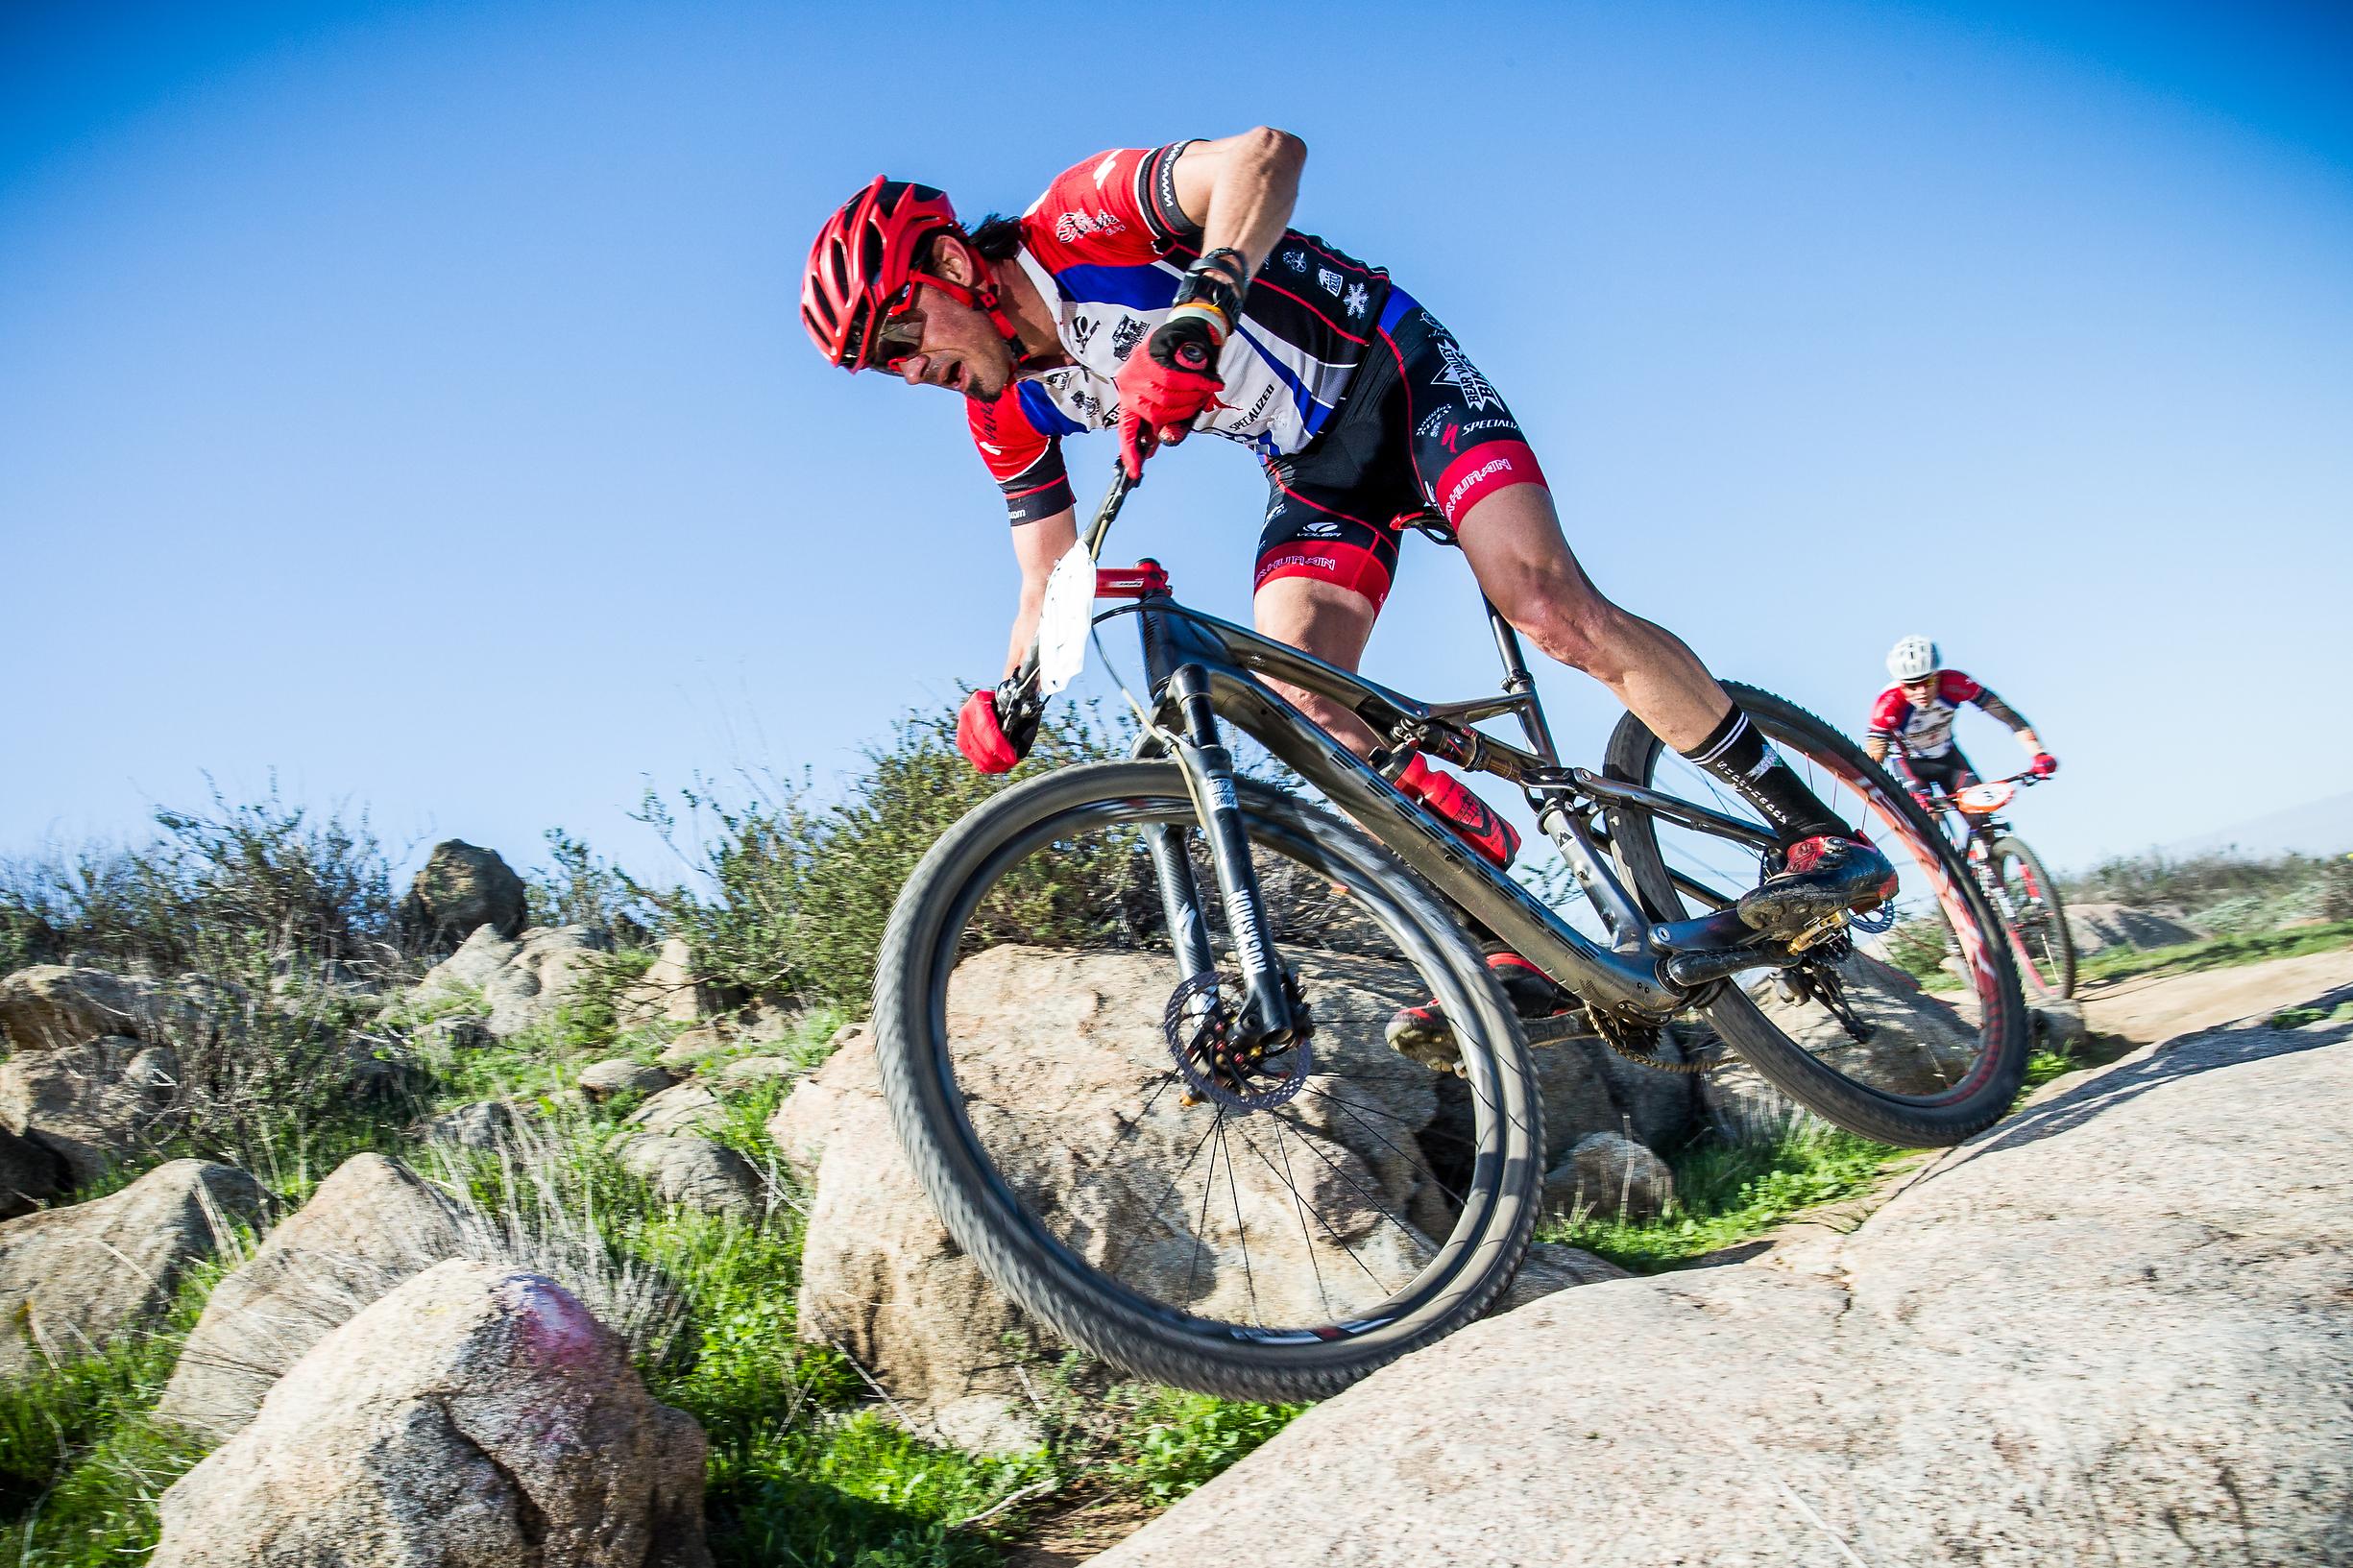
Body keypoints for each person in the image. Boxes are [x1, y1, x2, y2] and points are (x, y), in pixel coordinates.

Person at [800, 130, 1896, 1047]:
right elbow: (1049, 573)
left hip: (1396, 371)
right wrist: (1011, 691)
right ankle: (1499, 899)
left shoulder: (1081, 217)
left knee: (1548, 606)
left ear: (947, 263)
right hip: (1316, 469)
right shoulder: (998, 408)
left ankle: (1809, 830)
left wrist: (1198, 310)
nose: (906, 369)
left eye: (899, 334)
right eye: (877, 366)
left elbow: (1265, 156)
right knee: (1299, 702)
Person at [1866, 636, 2056, 828]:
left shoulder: (1955, 683)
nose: (1921, 691)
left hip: (1949, 759)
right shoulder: (1889, 703)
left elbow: (2009, 717)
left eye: (1928, 682)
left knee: (1982, 817)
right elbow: (1875, 753)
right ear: (1901, 684)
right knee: (1929, 821)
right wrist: (1877, 787)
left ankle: (1991, 851)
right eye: (1912, 685)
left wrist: (2039, 754)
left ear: (1938, 675)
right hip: (1911, 766)